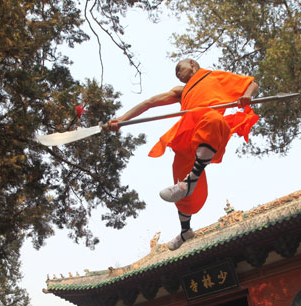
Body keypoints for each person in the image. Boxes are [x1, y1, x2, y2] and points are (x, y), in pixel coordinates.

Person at [109, 59, 259, 250]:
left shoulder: (215, 77)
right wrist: (121, 119)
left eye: (179, 69)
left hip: (210, 129)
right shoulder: (181, 91)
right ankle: (185, 231)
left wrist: (247, 95)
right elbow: (149, 103)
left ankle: (190, 181)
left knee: (213, 119)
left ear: (192, 64)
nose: (177, 74)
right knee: (183, 197)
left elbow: (252, 84)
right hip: (186, 137)